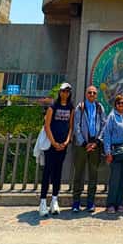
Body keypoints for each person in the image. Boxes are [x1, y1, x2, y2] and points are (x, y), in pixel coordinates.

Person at [39, 82, 74, 217]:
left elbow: (70, 126)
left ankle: (54, 200)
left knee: (58, 173)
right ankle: (43, 202)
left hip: (62, 145)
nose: (65, 93)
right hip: (51, 145)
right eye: (63, 91)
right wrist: (53, 142)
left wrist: (66, 141)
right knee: (47, 172)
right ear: (60, 92)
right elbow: (47, 125)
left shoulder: (70, 107)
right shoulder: (53, 106)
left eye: (67, 91)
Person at [71, 85, 106, 213]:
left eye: (94, 93)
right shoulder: (80, 107)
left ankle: (90, 202)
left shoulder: (99, 107)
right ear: (86, 94)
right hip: (82, 146)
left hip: (95, 145)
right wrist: (83, 142)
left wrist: (96, 142)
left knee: (93, 174)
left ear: (96, 95)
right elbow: (76, 126)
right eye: (90, 93)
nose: (92, 95)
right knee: (78, 173)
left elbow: (104, 125)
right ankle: (76, 202)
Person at [101, 93, 123, 213]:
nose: (121, 105)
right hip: (115, 151)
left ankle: (119, 203)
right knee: (114, 179)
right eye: (119, 103)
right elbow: (107, 134)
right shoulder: (112, 116)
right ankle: (111, 204)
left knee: (122, 179)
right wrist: (108, 152)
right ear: (115, 104)